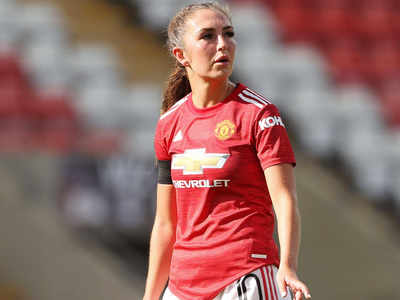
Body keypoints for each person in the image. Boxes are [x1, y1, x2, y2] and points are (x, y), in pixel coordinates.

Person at [143, 2, 311, 300]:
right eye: (208, 36)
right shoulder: (169, 124)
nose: (223, 44)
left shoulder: (259, 115)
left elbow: (284, 198)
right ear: (181, 55)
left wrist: (288, 265)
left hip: (245, 279)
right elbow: (166, 224)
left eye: (228, 34)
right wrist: (150, 296)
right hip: (182, 287)